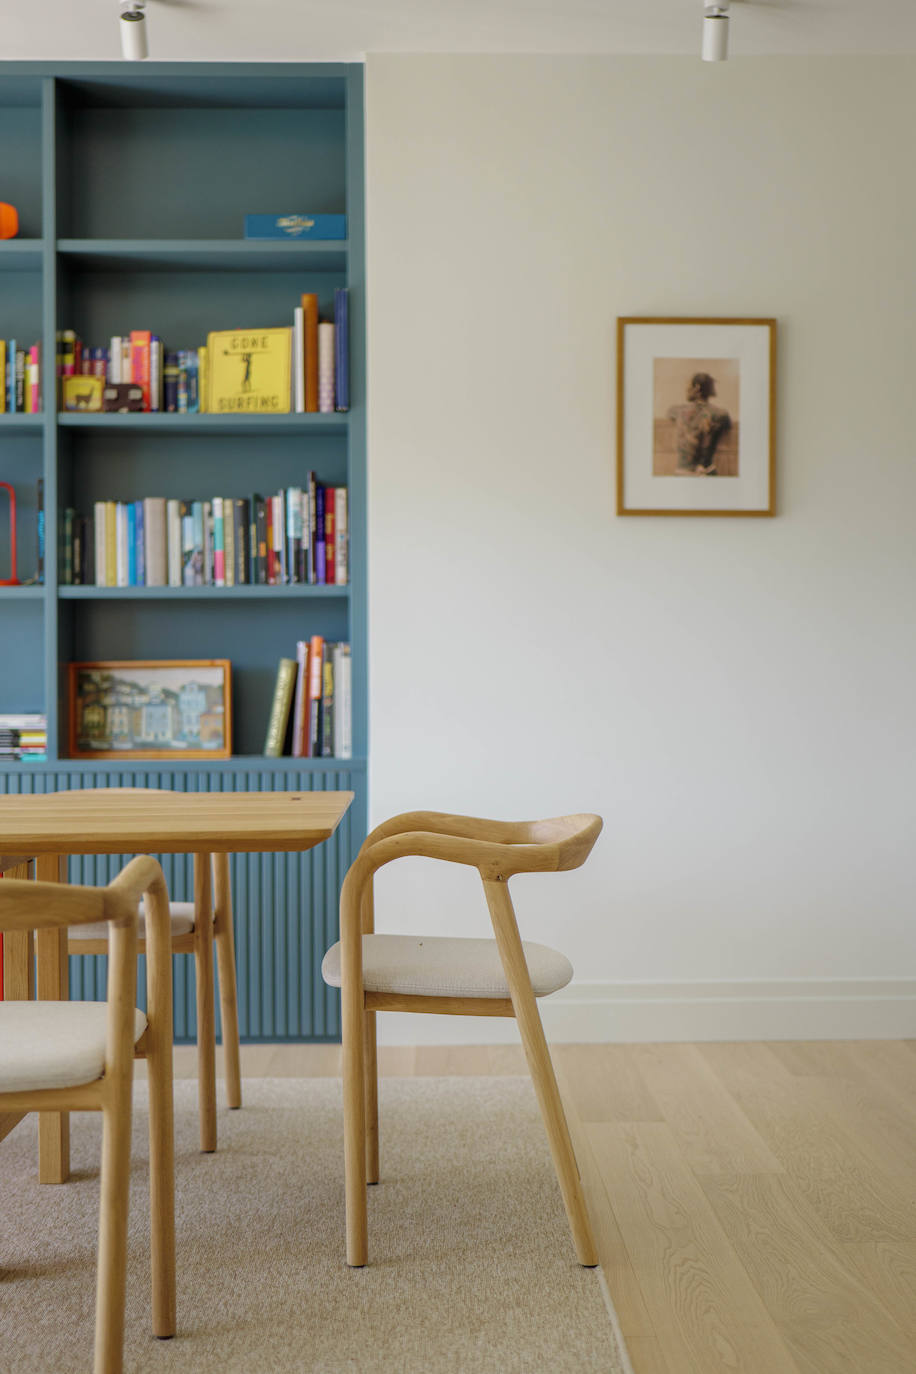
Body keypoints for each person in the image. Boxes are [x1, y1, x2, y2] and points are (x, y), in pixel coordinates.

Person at [666, 371, 731, 475]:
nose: (686, 390)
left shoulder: (676, 411)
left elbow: (669, 413)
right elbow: (727, 424)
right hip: (708, 473)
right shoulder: (721, 414)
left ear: (696, 387)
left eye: (689, 387)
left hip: (683, 473)